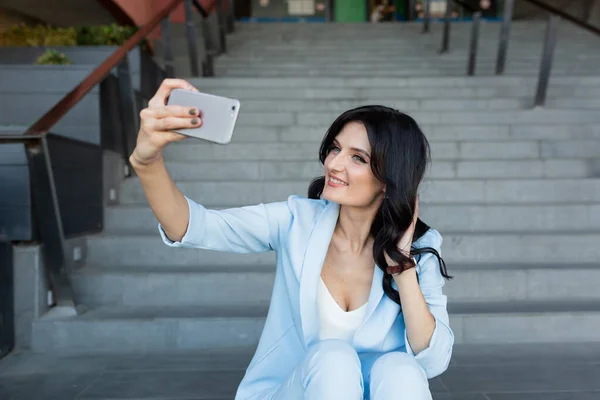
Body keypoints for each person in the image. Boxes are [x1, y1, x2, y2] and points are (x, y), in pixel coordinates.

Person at [130, 79, 454, 400]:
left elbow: (433, 360)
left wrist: (403, 267)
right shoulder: (296, 221)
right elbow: (193, 226)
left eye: (358, 158)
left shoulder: (420, 247)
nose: (334, 164)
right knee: (333, 359)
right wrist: (146, 163)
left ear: (390, 178)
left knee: (402, 368)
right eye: (336, 149)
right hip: (291, 391)